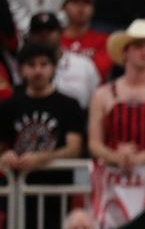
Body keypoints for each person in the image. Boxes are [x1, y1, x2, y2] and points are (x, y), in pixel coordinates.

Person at [88, 19, 145, 229]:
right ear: (125, 52)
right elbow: (94, 143)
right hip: (113, 178)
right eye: (137, 46)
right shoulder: (104, 94)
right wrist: (116, 156)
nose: (144, 52)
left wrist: (137, 158)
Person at [0, 42, 83, 173]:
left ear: (54, 68)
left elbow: (74, 149)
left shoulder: (69, 105)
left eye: (44, 64)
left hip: (57, 186)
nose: (38, 71)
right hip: (18, 188)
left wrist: (41, 158)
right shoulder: (8, 106)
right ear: (21, 70)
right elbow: (3, 146)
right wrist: (5, 156)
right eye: (31, 65)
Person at [26, 12, 100, 109]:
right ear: (30, 36)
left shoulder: (83, 64)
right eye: (38, 32)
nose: (44, 36)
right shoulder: (23, 67)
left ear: (61, 33)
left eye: (50, 30)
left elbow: (96, 102)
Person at [59, 0, 112, 80]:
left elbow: (101, 71)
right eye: (75, 2)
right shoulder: (55, 39)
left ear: (93, 8)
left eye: (86, 2)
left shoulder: (103, 40)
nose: (81, 7)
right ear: (64, 7)